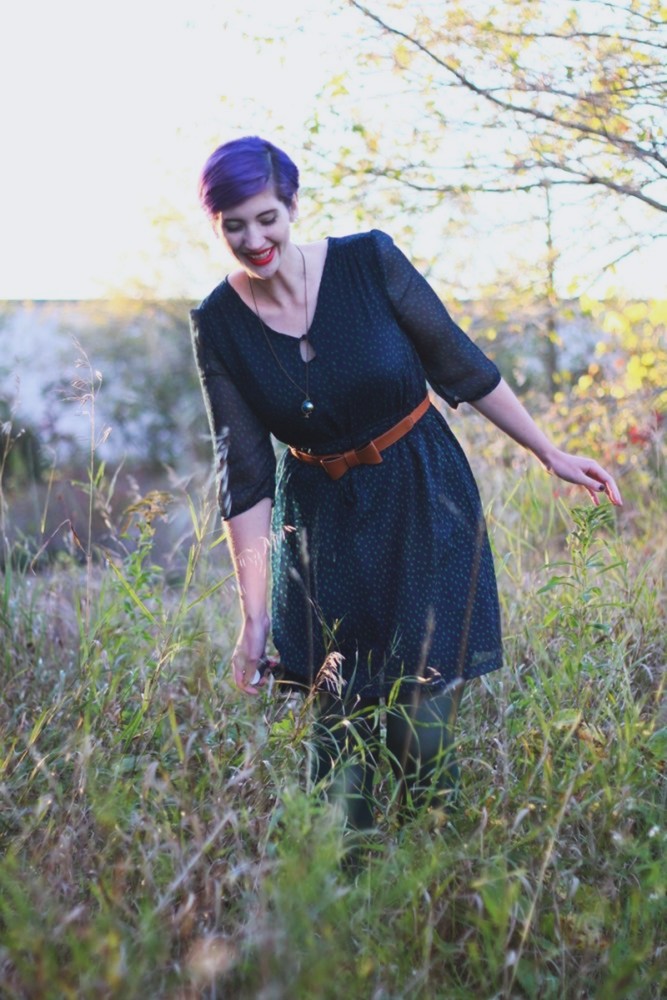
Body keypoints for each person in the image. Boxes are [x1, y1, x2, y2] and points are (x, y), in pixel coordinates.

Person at [190, 136, 622, 834]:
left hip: (423, 498)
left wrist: (549, 451)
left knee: (418, 716)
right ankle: (344, 887)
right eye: (232, 225)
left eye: (265, 217)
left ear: (290, 204)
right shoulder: (217, 324)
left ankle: (435, 869)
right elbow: (243, 474)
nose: (253, 238)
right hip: (319, 529)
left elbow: (460, 363)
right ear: (215, 225)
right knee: (336, 735)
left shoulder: (369, 260)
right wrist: (253, 615)